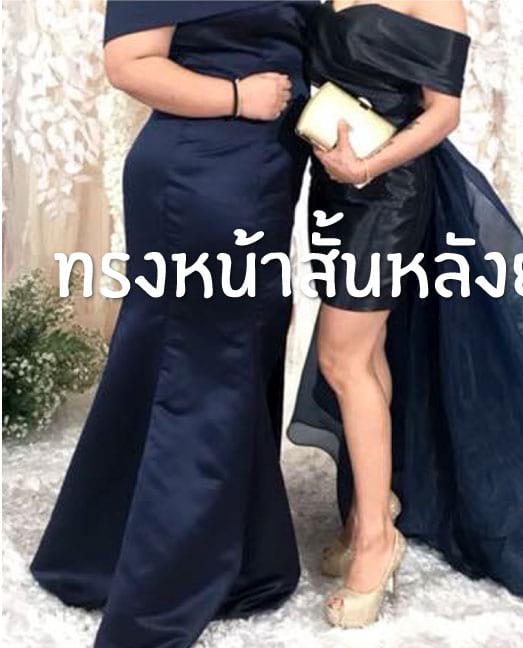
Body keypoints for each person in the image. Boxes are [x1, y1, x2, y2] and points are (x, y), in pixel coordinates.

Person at [289, 0, 523, 628]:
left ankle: (376, 544)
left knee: (342, 360)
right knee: (367, 354)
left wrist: (367, 166)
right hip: (331, 189)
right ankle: (367, 511)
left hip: (387, 193)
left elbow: (443, 113)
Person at [30, 2, 316, 647]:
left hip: (259, 176)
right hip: (202, 177)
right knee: (205, 369)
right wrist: (238, 96)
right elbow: (127, 62)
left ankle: (114, 551)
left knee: (213, 355)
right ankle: (164, 587)